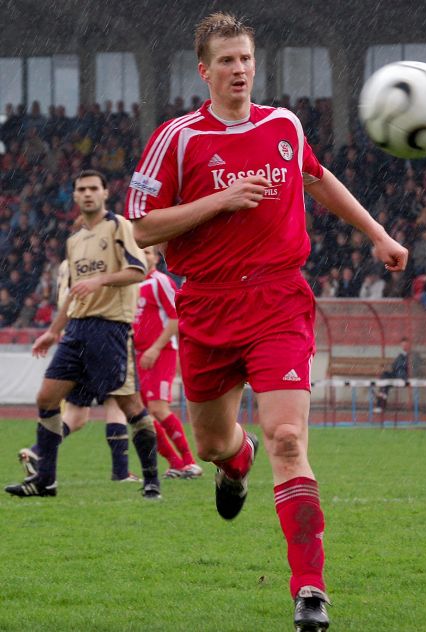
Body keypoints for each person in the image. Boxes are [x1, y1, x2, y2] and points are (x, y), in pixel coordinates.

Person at [124, 13, 407, 630]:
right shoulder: (178, 139)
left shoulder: (283, 125)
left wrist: (376, 232)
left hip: (279, 298)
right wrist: (220, 200)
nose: (240, 70)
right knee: (211, 444)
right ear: (204, 71)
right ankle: (237, 459)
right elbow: (142, 227)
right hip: (206, 303)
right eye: (227, 61)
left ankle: (309, 589)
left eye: (246, 59)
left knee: (288, 438)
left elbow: (317, 177)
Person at [5, 169, 160, 499]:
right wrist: (53, 331)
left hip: (110, 327)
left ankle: (151, 481)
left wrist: (100, 281)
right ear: (75, 196)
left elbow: (138, 270)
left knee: (130, 405)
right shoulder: (74, 241)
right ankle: (45, 481)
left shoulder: (118, 226)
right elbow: (75, 293)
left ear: (105, 193)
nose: (88, 194)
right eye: (82, 189)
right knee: (47, 398)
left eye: (93, 188)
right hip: (76, 330)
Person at [17, 260, 141, 483]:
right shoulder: (99, 258)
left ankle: (37, 452)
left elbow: (66, 298)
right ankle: (121, 473)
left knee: (77, 415)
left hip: (73, 336)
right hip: (100, 333)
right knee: (116, 402)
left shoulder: (67, 263)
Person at [134, 246, 202, 478]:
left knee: (157, 408)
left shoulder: (160, 281)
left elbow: (175, 317)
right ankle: (175, 463)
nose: (143, 256)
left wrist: (155, 348)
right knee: (141, 414)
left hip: (161, 352)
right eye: (139, 252)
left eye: (147, 252)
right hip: (138, 356)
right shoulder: (131, 285)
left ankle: (189, 462)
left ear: (155, 258)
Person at [374, 337, 418, 413]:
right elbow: (393, 366)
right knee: (384, 376)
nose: (404, 347)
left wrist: (404, 364)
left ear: (409, 345)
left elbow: (414, 367)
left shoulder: (413, 354)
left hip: (404, 375)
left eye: (406, 345)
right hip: (396, 374)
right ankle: (382, 399)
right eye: (403, 345)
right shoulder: (401, 355)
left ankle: (380, 403)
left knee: (388, 382)